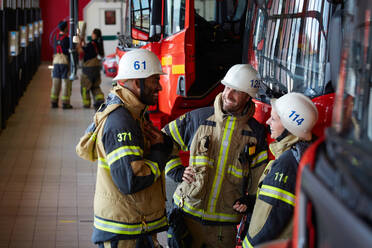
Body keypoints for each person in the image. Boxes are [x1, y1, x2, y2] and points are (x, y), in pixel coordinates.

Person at [163, 64, 269, 248]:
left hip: (224, 228)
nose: (228, 94)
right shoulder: (198, 118)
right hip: (188, 216)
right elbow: (163, 140)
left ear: (248, 96)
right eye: (227, 87)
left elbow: (259, 175)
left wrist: (251, 200)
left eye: (236, 91)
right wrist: (176, 171)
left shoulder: (256, 134)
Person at [86, 49, 173, 247]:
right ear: (136, 82)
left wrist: (163, 144)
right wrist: (160, 153)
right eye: (154, 80)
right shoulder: (121, 122)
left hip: (132, 223)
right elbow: (130, 180)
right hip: (123, 230)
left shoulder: (134, 113)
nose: (158, 87)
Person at [242, 92, 318, 247]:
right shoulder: (308, 153)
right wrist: (255, 202)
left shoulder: (287, 164)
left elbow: (268, 222)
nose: (268, 121)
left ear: (290, 128)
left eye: (274, 119)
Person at [77, 28, 105, 110]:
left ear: (94, 35)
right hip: (96, 67)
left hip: (88, 68)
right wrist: (83, 42)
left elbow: (81, 51)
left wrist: (78, 43)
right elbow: (88, 49)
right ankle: (100, 100)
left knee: (85, 86)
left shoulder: (91, 44)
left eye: (92, 33)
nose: (91, 35)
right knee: (95, 86)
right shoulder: (98, 43)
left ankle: (86, 104)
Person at [50, 20, 73, 109]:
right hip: (64, 61)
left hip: (56, 61)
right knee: (65, 83)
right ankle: (65, 103)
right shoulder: (67, 39)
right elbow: (70, 50)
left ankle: (54, 102)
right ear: (65, 28)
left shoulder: (55, 37)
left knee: (55, 82)